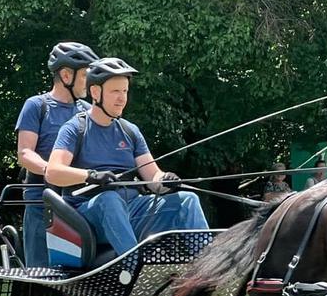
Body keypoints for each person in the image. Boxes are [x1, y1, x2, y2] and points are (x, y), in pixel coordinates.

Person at [45, 57, 208, 259]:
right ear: (96, 92)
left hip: (131, 211)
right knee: (109, 199)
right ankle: (134, 267)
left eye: (125, 91)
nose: (122, 98)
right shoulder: (74, 129)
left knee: (187, 200)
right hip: (86, 219)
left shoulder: (130, 131)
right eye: (115, 91)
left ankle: (208, 273)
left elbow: (153, 176)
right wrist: (91, 175)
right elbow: (53, 172)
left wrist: (166, 180)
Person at [16, 41, 99, 266]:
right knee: (42, 273)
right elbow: (24, 153)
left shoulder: (89, 111)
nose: (89, 82)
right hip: (42, 204)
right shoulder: (36, 106)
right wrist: (52, 171)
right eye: (84, 75)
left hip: (78, 202)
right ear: (65, 75)